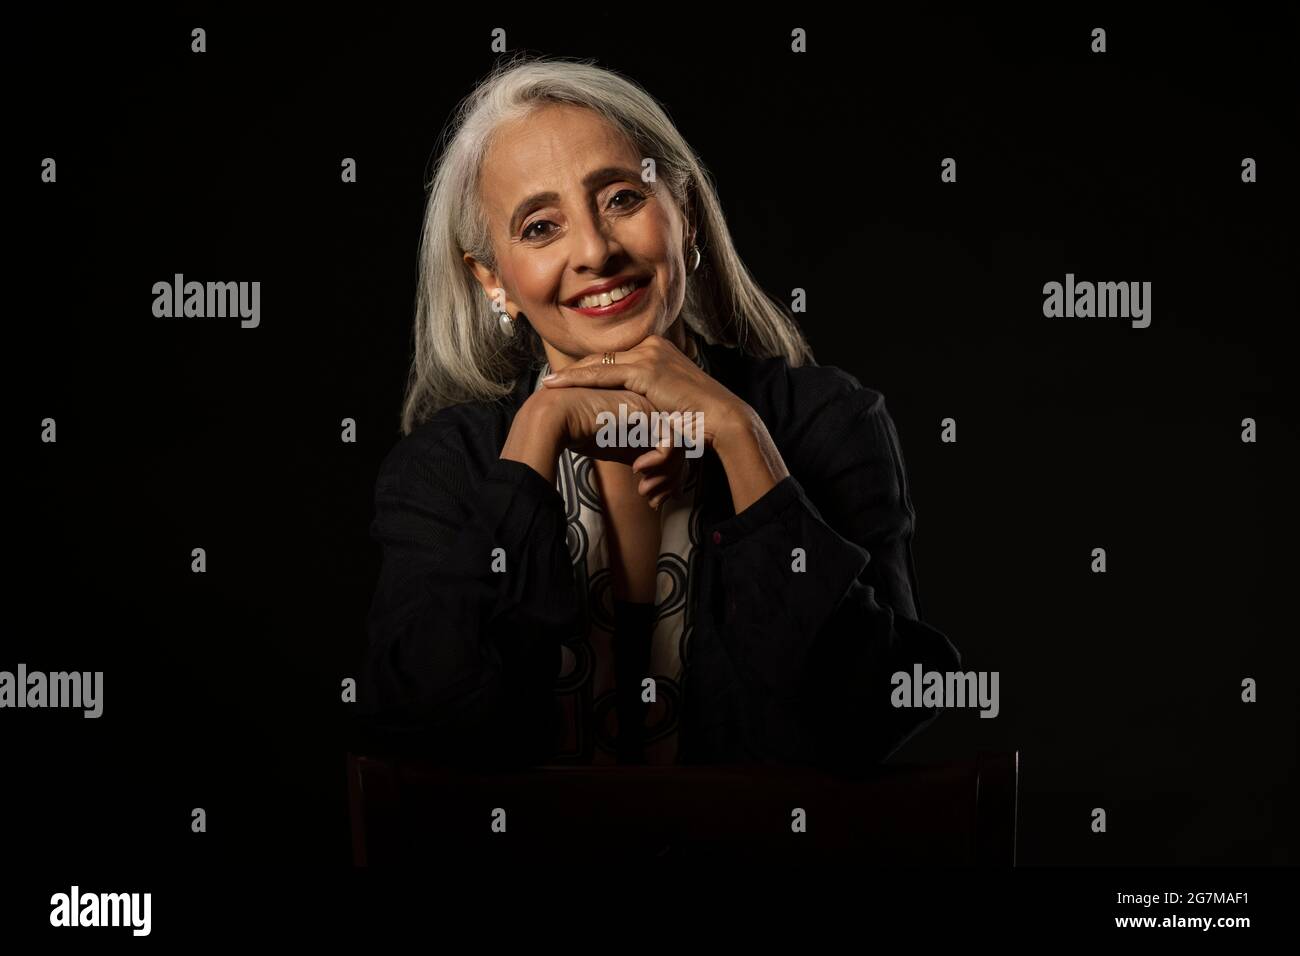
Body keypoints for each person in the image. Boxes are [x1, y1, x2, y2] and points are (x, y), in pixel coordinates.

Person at [355, 55, 961, 777]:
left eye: (620, 198)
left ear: (687, 214)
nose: (596, 251)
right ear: (493, 280)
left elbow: (871, 714)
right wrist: (532, 448)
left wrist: (742, 441)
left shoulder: (827, 421)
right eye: (542, 227)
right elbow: (425, 736)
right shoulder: (444, 469)